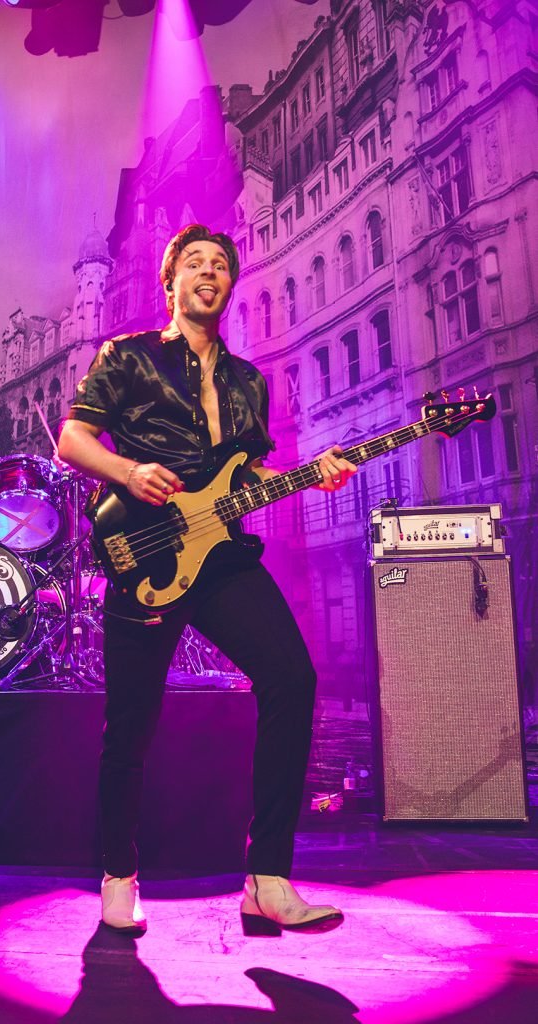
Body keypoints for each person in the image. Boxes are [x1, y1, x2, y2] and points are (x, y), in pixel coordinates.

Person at [58, 223, 356, 935]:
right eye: (194, 262)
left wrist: (309, 479)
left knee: (292, 678)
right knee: (130, 726)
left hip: (220, 555)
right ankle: (119, 874)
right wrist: (128, 471)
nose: (209, 272)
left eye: (220, 265)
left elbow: (244, 474)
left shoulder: (247, 381)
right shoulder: (127, 358)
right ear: (170, 283)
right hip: (144, 550)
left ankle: (268, 877)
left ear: (228, 285)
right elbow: (71, 438)